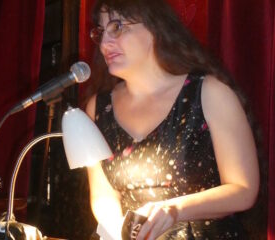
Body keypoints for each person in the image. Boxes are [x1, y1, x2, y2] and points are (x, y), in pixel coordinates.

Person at [83, 0, 260, 239]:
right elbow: (103, 195)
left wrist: (175, 210)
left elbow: (244, 189)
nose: (105, 43)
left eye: (117, 27)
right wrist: (118, 232)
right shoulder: (97, 108)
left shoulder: (209, 92)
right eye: (101, 32)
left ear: (155, 29)